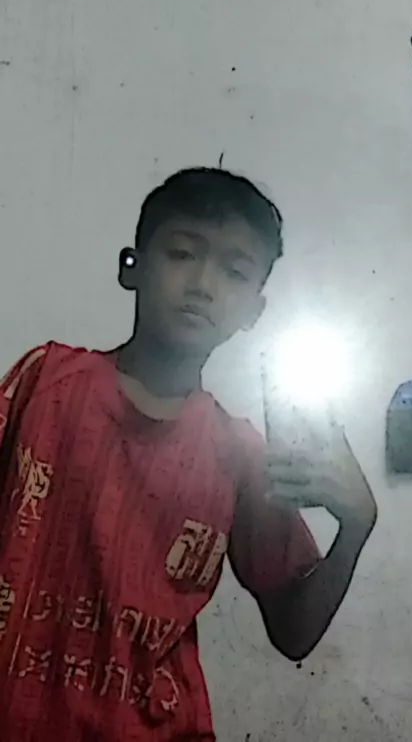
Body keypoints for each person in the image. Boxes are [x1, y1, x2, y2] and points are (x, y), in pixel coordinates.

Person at [0, 167, 377, 741]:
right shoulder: (45, 380)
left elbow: (294, 633)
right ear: (132, 267)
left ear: (253, 312)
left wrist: (356, 526)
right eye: (181, 253)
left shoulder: (241, 455)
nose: (203, 283)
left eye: (234, 272)